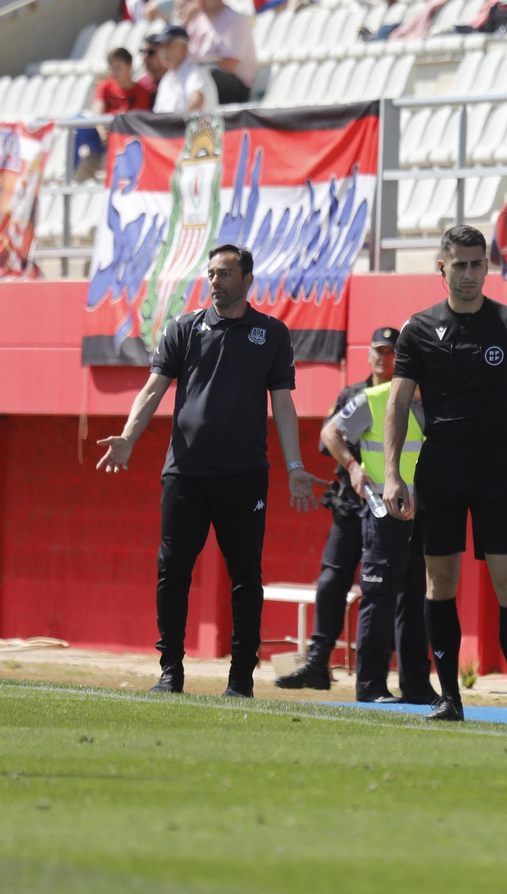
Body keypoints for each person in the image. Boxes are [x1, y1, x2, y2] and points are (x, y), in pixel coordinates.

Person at [97, 245, 324, 698]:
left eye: (225, 273)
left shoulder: (271, 333)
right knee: (173, 570)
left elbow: (283, 404)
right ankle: (170, 672)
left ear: (247, 279)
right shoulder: (183, 328)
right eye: (211, 273)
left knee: (245, 577)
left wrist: (295, 465)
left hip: (244, 476)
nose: (215, 280)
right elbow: (152, 389)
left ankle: (240, 680)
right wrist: (128, 437)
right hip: (185, 473)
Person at [380, 224, 507, 727]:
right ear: (442, 268)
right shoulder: (418, 328)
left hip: (495, 466)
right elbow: (397, 401)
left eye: (476, 263)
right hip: (439, 465)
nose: (468, 274)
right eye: (458, 264)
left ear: (487, 267)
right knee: (440, 582)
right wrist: (393, 474)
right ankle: (449, 700)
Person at [275, 327, 401, 691]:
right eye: (379, 350)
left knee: (385, 589)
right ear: (368, 354)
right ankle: (318, 661)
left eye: (391, 352)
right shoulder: (354, 395)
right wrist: (352, 463)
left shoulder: (409, 395)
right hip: (350, 503)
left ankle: (383, 671)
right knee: (332, 581)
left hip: (389, 508)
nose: (384, 357)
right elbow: (324, 440)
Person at [314, 374, 439, 704]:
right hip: (385, 514)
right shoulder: (375, 397)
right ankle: (370, 686)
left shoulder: (442, 401)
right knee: (379, 597)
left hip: (424, 516)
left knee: (416, 603)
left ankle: (416, 686)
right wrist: (353, 467)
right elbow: (330, 432)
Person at [78, 48, 153, 181]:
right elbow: (98, 113)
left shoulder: (141, 92)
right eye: (111, 68)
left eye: (118, 67)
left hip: (124, 142)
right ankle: (69, 172)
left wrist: (113, 135)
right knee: (78, 122)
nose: (113, 72)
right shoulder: (105, 85)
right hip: (102, 140)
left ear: (129, 66)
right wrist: (102, 132)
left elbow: (137, 122)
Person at [187, 0, 259, 104]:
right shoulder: (197, 21)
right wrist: (184, 22)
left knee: (205, 73)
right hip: (206, 82)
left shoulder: (234, 19)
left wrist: (198, 63)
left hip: (236, 86)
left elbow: (229, 64)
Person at [151, 27, 218, 115]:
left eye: (168, 44)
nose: (163, 51)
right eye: (160, 46)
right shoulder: (166, 79)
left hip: (196, 128)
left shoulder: (195, 71)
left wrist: (177, 124)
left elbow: (197, 100)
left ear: (184, 47)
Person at [137, 34, 168, 104]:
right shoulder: (140, 84)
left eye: (151, 52)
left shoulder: (173, 81)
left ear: (162, 54)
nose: (145, 57)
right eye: (143, 52)